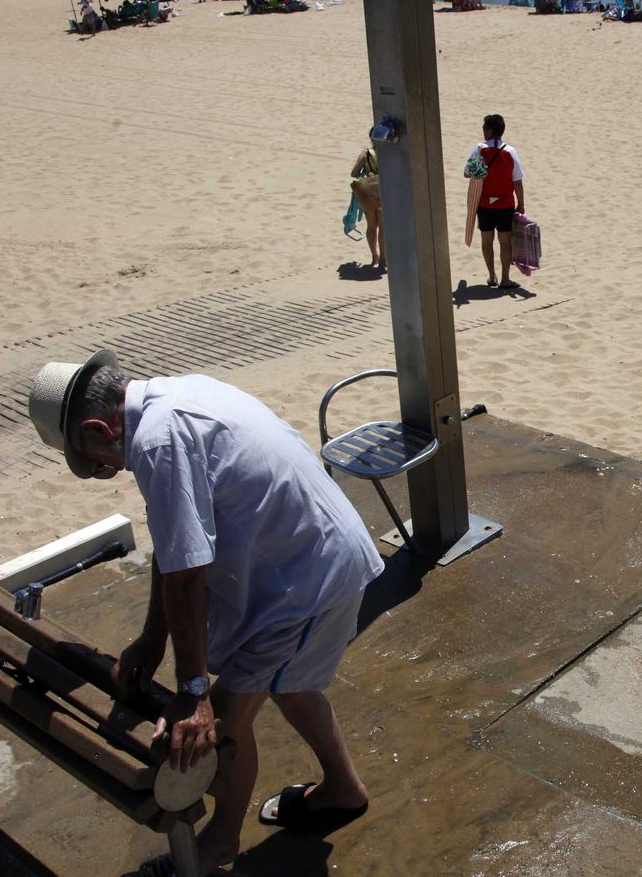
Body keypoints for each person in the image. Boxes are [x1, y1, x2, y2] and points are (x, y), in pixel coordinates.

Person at [27, 351, 383, 877]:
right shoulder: (176, 395)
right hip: (306, 560)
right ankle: (343, 789)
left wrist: (194, 694)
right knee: (289, 685)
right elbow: (175, 548)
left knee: (221, 726)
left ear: (98, 428)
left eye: (97, 459)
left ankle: (218, 843)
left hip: (306, 580)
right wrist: (153, 637)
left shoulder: (157, 441)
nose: (109, 468)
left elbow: (189, 577)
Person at [467, 114, 525, 290]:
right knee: (505, 241)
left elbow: (467, 172)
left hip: (484, 204)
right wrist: (521, 203)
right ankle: (505, 279)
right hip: (505, 204)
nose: (483, 131)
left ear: (490, 130)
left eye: (484, 128)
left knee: (487, 240)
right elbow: (517, 181)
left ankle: (492, 276)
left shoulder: (479, 149)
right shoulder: (510, 151)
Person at [350, 147, 383, 269]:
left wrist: (366, 173)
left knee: (371, 226)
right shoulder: (389, 153)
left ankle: (375, 256)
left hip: (368, 194)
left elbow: (353, 173)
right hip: (383, 193)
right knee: (383, 228)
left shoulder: (366, 154)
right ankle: (384, 259)